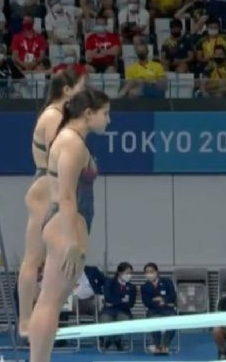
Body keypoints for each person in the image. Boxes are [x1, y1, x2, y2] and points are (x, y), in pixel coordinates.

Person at [27, 88, 110, 362]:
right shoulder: (72, 144)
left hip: (67, 222)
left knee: (50, 301)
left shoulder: (70, 140)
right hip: (67, 225)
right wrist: (72, 240)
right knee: (50, 303)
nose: (109, 120)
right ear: (88, 114)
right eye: (105, 114)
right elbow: (65, 195)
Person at [17, 68, 84, 337]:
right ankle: (25, 321)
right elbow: (58, 160)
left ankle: (39, 316)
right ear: (67, 91)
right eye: (80, 87)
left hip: (46, 185)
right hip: (47, 187)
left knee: (43, 260)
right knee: (33, 259)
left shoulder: (56, 115)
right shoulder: (54, 116)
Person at [141, 262, 177, 355]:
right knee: (154, 322)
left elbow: (173, 296)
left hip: (168, 310)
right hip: (153, 310)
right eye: (147, 272)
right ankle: (157, 345)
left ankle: (165, 345)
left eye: (151, 271)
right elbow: (146, 302)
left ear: (157, 272)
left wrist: (163, 300)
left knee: (173, 322)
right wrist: (159, 302)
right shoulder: (144, 287)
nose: (149, 273)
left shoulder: (167, 281)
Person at [99, 262, 137, 351]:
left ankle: (112, 339)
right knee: (105, 320)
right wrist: (122, 301)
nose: (129, 275)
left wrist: (115, 302)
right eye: (127, 273)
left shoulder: (132, 287)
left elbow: (131, 304)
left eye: (131, 273)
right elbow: (108, 298)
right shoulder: (109, 282)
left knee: (124, 321)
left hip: (124, 311)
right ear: (120, 273)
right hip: (109, 310)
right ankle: (114, 340)